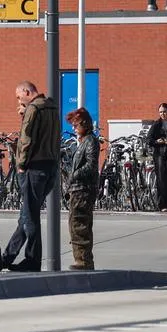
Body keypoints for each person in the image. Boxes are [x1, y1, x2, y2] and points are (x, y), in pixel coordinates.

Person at [2, 81, 60, 272]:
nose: (19, 101)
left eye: (19, 97)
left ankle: (32, 260)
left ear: (27, 92)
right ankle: (7, 256)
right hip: (50, 166)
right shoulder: (51, 107)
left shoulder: (33, 109)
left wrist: (20, 164)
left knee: (30, 217)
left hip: (34, 168)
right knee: (26, 215)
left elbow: (26, 138)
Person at [65, 107, 100, 270]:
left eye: (76, 124)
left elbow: (91, 166)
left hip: (83, 189)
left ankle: (84, 260)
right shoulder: (83, 142)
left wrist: (75, 175)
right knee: (75, 223)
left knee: (79, 223)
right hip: (78, 188)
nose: (73, 128)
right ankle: (81, 258)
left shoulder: (90, 141)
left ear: (85, 124)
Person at [145, 103, 167, 212]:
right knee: (161, 179)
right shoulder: (157, 124)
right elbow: (148, 140)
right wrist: (157, 141)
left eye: (164, 111)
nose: (162, 114)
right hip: (160, 154)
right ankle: (163, 204)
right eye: (160, 112)